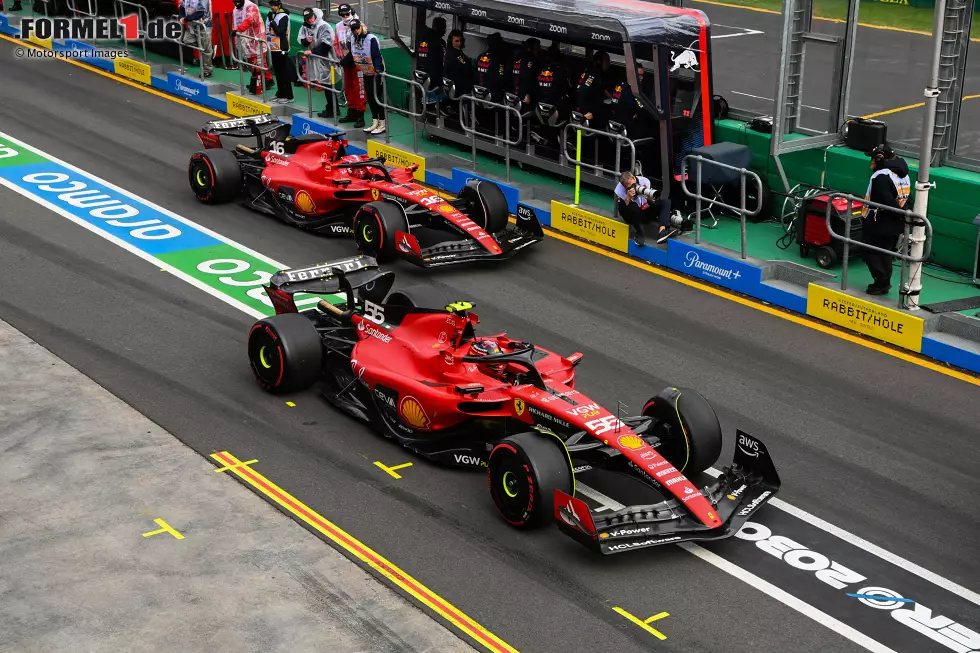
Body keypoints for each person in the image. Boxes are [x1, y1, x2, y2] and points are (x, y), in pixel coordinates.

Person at [861, 144, 912, 295]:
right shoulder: (904, 174)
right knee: (885, 251)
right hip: (896, 222)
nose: (871, 162)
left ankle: (881, 281)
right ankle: (884, 281)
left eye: (873, 158)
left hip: (879, 221)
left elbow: (884, 199)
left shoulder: (881, 175)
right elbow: (908, 198)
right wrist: (904, 214)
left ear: (879, 158)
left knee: (869, 250)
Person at [342, 18, 386, 135]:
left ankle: (382, 124)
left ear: (361, 27)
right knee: (370, 98)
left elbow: (376, 55)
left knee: (377, 98)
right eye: (353, 29)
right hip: (365, 71)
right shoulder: (353, 38)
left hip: (376, 73)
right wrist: (343, 62)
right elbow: (352, 54)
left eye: (357, 28)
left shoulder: (371, 39)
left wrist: (377, 69)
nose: (355, 31)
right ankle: (374, 122)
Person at [615, 171, 677, 246]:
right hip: (631, 217)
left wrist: (650, 199)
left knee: (666, 202)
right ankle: (639, 233)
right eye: (628, 187)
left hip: (645, 211)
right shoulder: (619, 189)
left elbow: (652, 202)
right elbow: (623, 211)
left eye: (632, 185)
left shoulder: (644, 181)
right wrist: (628, 197)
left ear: (634, 178)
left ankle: (662, 231)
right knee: (633, 207)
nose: (632, 187)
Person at [231, 0, 274, 94]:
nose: (236, 4)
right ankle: (256, 81)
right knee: (252, 63)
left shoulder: (251, 7)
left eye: (237, 2)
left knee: (259, 62)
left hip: (257, 38)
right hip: (248, 40)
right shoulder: (236, 9)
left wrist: (238, 30)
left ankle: (268, 80)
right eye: (234, 2)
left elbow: (249, 20)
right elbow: (235, 23)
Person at [300, 8, 335, 117]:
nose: (310, 20)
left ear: (315, 15)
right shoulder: (306, 26)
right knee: (326, 85)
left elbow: (327, 44)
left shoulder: (323, 26)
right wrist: (306, 41)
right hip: (318, 60)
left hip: (328, 60)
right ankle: (331, 108)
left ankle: (333, 109)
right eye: (307, 18)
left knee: (329, 84)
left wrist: (312, 51)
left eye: (311, 17)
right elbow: (301, 39)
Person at [334, 4, 365, 126]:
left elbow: (363, 43)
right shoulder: (338, 26)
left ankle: (360, 115)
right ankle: (352, 112)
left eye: (347, 14)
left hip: (358, 64)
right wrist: (340, 57)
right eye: (342, 14)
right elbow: (336, 43)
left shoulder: (359, 25)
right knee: (348, 88)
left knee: (360, 90)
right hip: (346, 63)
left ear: (352, 12)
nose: (345, 16)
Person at [265, 0, 294, 104]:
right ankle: (280, 93)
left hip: (281, 48)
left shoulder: (283, 16)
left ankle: (289, 95)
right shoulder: (271, 15)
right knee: (277, 72)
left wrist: (272, 22)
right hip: (272, 48)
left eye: (274, 5)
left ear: (279, 6)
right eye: (271, 5)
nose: (272, 7)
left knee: (283, 72)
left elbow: (280, 32)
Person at [178, 0, 213, 78]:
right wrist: (181, 16)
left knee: (205, 50)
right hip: (192, 25)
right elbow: (182, 8)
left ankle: (207, 70)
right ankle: (208, 47)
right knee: (186, 40)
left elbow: (201, 13)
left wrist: (186, 18)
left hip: (204, 26)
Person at [415, 16, 446, 95]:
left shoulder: (421, 36)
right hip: (435, 79)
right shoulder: (440, 42)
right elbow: (444, 61)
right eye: (443, 27)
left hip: (420, 74)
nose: (445, 31)